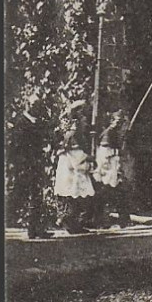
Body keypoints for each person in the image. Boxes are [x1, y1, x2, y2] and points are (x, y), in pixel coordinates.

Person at [10, 93, 53, 239]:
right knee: (27, 195)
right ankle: (29, 227)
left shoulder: (37, 122)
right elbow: (17, 148)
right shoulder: (21, 123)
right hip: (27, 166)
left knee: (36, 195)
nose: (39, 109)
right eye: (36, 105)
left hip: (36, 164)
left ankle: (35, 229)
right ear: (30, 106)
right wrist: (24, 165)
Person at [53, 100, 95, 234]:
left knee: (75, 195)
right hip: (72, 165)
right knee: (75, 193)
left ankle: (73, 223)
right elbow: (74, 150)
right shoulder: (74, 131)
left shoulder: (72, 130)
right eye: (82, 115)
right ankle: (71, 223)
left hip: (71, 163)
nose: (85, 119)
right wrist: (88, 157)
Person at [93, 109, 131, 228]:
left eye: (121, 122)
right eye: (117, 121)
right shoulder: (108, 134)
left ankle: (123, 220)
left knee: (118, 193)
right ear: (111, 121)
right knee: (109, 193)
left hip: (113, 169)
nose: (119, 124)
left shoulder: (116, 133)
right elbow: (106, 153)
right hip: (108, 169)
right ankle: (103, 220)